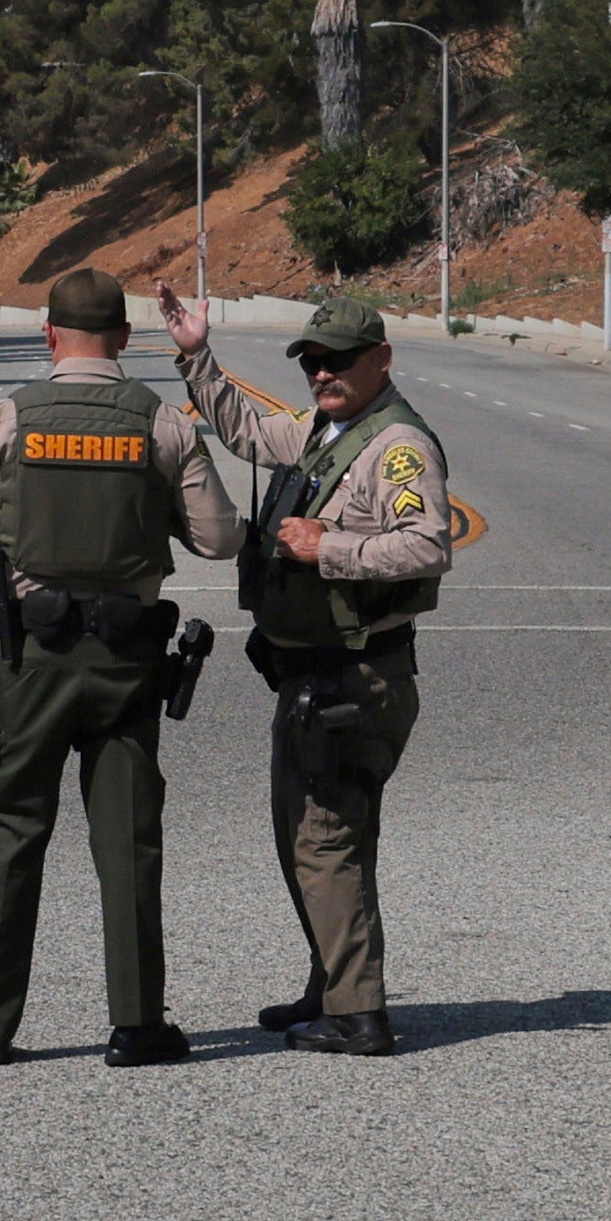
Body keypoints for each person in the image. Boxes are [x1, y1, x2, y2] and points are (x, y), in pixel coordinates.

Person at [0, 263, 241, 1067]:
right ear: (124, 336)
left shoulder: (8, 417)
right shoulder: (164, 424)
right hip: (125, 662)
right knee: (127, 838)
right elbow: (221, 537)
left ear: (50, 334)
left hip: (29, 660)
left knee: (12, 833)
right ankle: (137, 1023)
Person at [165, 287, 450, 1056]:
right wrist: (197, 356)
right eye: (312, 361)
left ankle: (358, 1014)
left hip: (356, 675)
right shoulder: (327, 430)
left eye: (338, 360)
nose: (323, 373)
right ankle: (330, 983)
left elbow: (428, 544)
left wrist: (328, 547)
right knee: (304, 833)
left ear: (381, 358)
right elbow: (246, 430)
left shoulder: (396, 446)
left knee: (326, 838)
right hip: (312, 675)